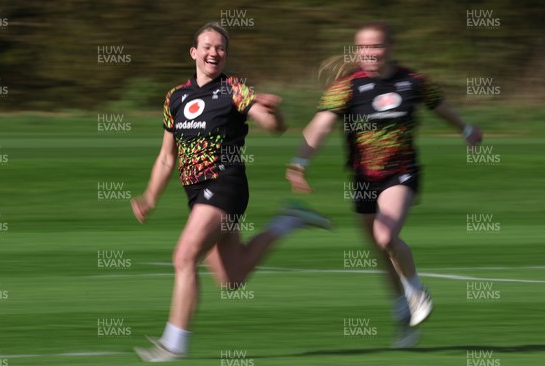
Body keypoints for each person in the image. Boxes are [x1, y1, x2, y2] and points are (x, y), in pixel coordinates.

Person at [131, 22, 331, 362]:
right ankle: (287, 221)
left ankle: (173, 343)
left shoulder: (233, 89)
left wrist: (276, 111)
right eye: (207, 46)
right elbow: (167, 157)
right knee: (232, 278)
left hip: (225, 184)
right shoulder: (176, 97)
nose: (214, 52)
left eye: (220, 47)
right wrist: (150, 196)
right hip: (197, 194)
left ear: (225, 54)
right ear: (194, 52)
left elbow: (273, 127)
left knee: (183, 256)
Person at [286, 21, 482, 348]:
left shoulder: (412, 81)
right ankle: (403, 318)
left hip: (401, 173)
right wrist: (299, 163)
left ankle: (418, 293)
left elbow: (440, 107)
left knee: (385, 234)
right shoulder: (346, 87)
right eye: (363, 47)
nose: (369, 52)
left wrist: (465, 129)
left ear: (389, 47)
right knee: (382, 251)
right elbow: (319, 126)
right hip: (363, 180)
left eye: (376, 46)